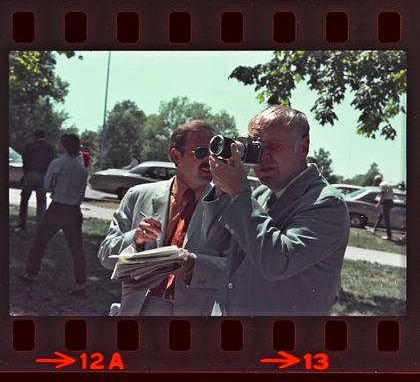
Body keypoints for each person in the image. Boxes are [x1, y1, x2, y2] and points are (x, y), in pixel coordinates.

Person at [202, 105, 350, 316]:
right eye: (257, 147)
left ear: (303, 147)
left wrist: (239, 192)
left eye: (274, 146)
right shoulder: (260, 194)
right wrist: (222, 187)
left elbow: (278, 263)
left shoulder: (326, 203)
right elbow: (216, 241)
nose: (263, 157)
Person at [98, 120, 227, 316]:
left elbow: (238, 272)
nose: (210, 159)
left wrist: (195, 266)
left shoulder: (227, 203)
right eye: (201, 152)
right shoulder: (138, 195)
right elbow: (106, 256)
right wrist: (135, 238)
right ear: (176, 155)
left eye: (214, 151)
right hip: (139, 312)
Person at [20, 134, 89, 295]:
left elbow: (46, 186)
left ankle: (30, 273)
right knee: (77, 249)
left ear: (64, 145)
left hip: (58, 207)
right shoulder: (81, 167)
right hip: (74, 210)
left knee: (40, 241)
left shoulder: (58, 163)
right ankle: (81, 284)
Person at [16, 129, 54, 229]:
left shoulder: (30, 146)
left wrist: (26, 174)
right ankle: (40, 224)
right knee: (41, 200)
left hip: (31, 174)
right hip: (43, 175)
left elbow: (25, 160)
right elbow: (51, 162)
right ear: (44, 136)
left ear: (35, 136)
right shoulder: (49, 148)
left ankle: (22, 222)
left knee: (24, 198)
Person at [372, 174, 394, 240]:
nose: (375, 183)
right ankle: (374, 229)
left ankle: (389, 236)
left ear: (377, 181)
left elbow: (382, 194)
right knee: (380, 216)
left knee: (386, 219)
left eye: (375, 181)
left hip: (386, 202)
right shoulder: (387, 183)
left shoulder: (381, 185)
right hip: (390, 201)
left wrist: (378, 203)